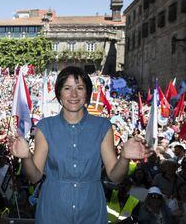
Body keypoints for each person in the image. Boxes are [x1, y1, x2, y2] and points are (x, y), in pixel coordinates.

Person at [10, 66, 147, 224]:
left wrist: (124, 158)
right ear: (59, 93)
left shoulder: (103, 127)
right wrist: (26, 157)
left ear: (87, 93)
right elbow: (34, 177)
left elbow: (115, 177)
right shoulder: (45, 127)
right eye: (67, 88)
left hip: (91, 211)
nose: (73, 94)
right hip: (53, 212)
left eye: (80, 88)